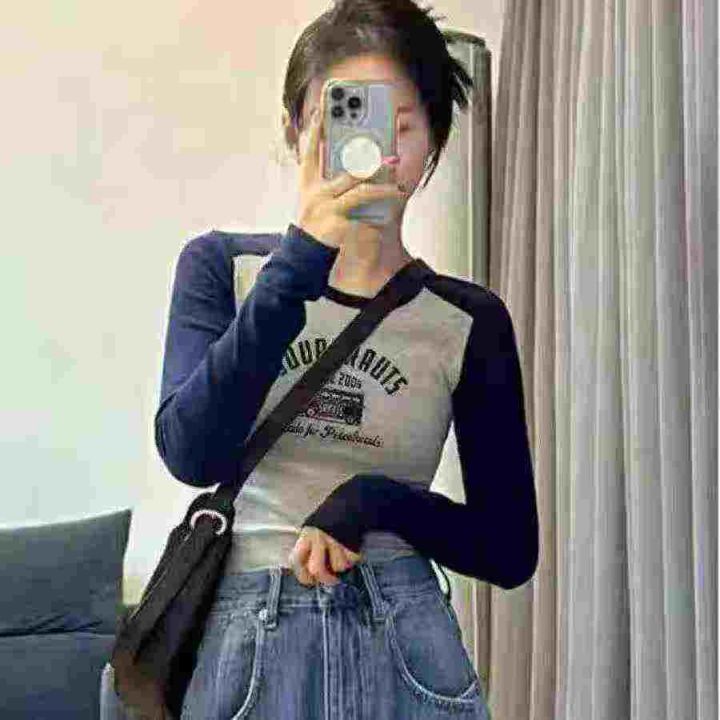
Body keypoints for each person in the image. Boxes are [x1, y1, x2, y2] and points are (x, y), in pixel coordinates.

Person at [101, 1, 539, 718]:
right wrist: (301, 260)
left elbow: (509, 550)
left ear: (433, 141)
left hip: (402, 630)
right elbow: (191, 452)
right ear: (295, 131)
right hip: (249, 633)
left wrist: (375, 501)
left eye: (401, 125)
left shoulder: (467, 321)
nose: (376, 149)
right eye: (346, 120)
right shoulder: (226, 271)